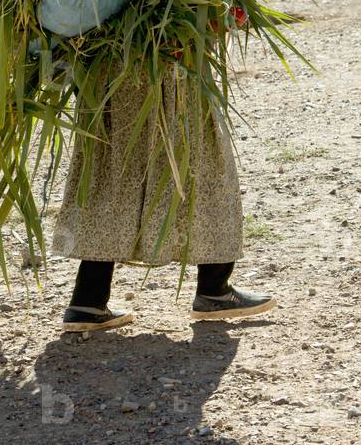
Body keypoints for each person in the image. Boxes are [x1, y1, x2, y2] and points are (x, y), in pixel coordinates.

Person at [53, 66, 277, 332]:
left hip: (111, 77)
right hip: (172, 70)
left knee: (112, 173)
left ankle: (87, 301)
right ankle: (214, 288)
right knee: (204, 164)